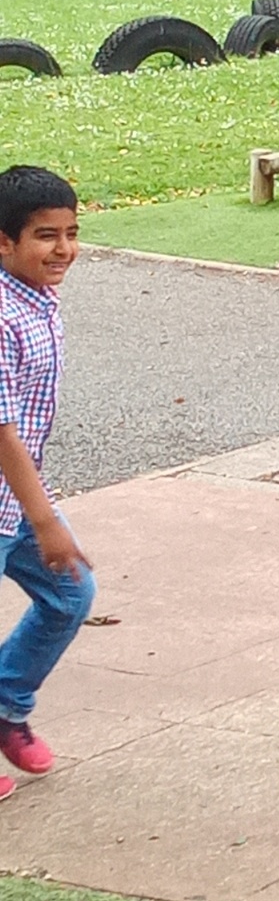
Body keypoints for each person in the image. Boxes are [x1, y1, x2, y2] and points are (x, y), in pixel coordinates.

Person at [0, 165, 95, 805]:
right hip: (16, 501)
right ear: (4, 242)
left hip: (13, 499)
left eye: (72, 233)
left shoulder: (33, 298)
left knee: (70, 594)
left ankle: (6, 706)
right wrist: (46, 521)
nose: (63, 249)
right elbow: (1, 429)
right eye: (45, 236)